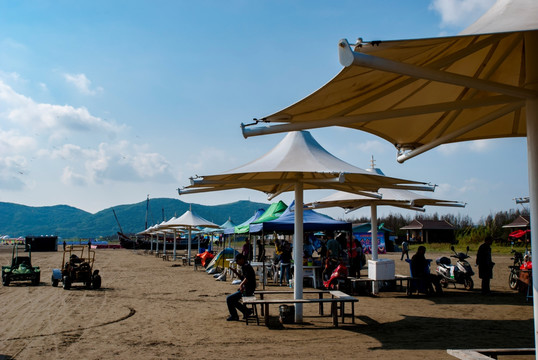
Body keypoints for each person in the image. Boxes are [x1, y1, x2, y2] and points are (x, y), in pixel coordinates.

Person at [226, 253, 256, 321]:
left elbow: (247, 278)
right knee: (233, 300)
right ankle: (246, 311)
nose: (236, 262)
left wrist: (241, 285)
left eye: (237, 261)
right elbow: (243, 278)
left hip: (248, 290)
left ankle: (234, 316)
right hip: (247, 289)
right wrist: (236, 272)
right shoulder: (244, 266)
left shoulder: (246, 266)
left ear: (242, 259)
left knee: (229, 299)